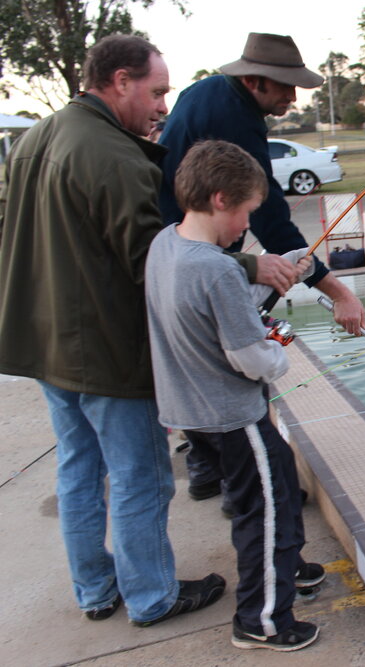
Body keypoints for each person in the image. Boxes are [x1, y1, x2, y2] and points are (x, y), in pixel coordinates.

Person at [0, 34, 226, 626]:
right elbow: (156, 263)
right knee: (140, 476)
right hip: (103, 352)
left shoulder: (33, 139)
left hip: (46, 346)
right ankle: (152, 596)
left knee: (79, 471)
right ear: (120, 81)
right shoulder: (114, 154)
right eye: (157, 92)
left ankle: (96, 589)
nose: (163, 108)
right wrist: (243, 270)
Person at [157, 32, 365, 507]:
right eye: (286, 87)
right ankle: (248, 488)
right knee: (226, 360)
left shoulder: (206, 92)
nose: (293, 97)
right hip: (195, 248)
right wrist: (338, 293)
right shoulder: (233, 116)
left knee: (197, 354)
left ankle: (205, 466)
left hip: (171, 244)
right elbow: (271, 219)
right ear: (254, 80)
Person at [146, 140, 321, 651]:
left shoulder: (165, 245)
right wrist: (279, 351)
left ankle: (288, 569)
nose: (246, 226)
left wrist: (284, 269)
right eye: (246, 212)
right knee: (267, 512)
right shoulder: (218, 269)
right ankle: (262, 621)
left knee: (275, 485)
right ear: (221, 199)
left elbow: (213, 311)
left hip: (189, 412)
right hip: (233, 416)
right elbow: (253, 360)